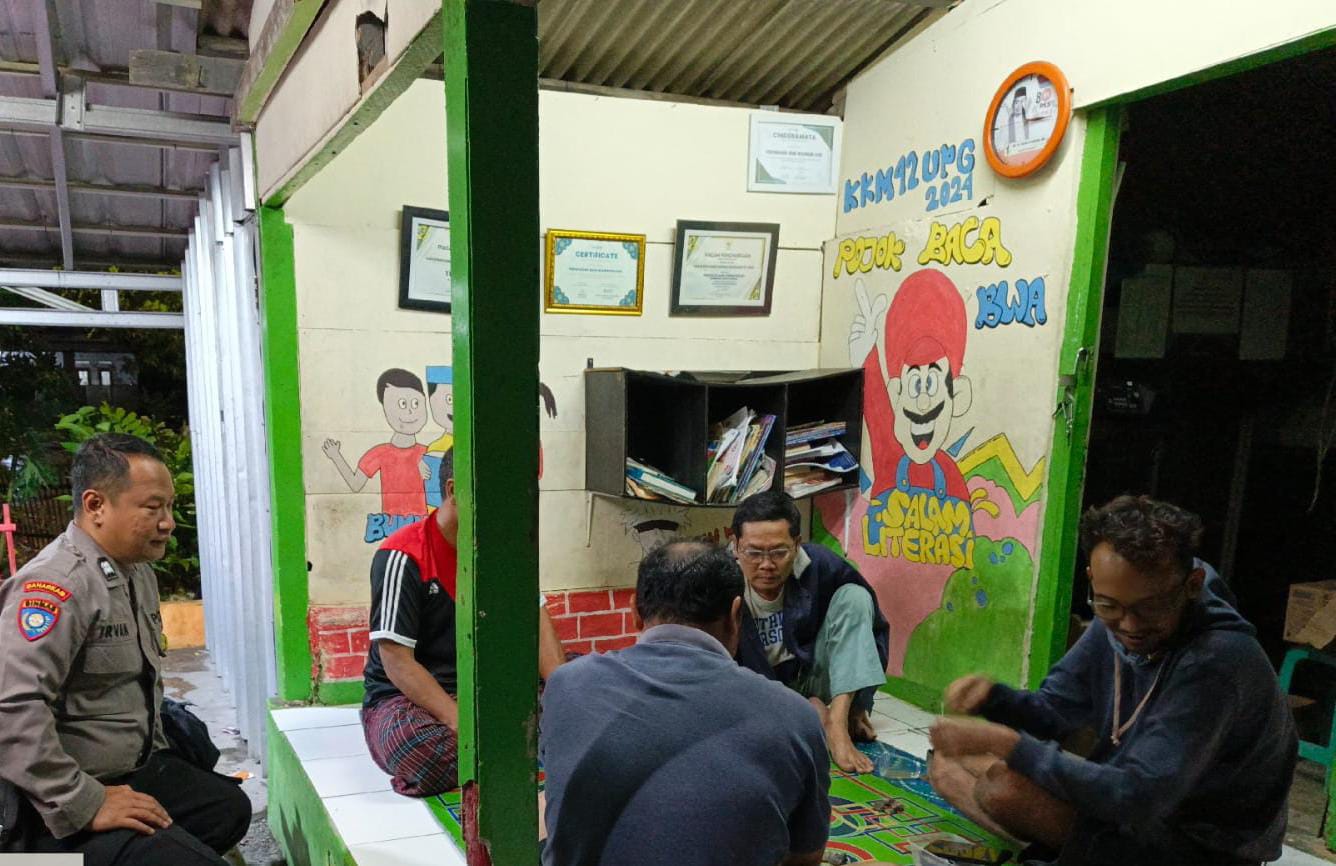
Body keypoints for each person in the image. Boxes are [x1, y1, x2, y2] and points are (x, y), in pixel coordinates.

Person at [928, 495, 1297, 866]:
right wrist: (993, 698)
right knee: (947, 768)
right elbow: (1054, 712)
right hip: (1133, 807)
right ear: (1093, 579)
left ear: (1192, 585)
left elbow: (1138, 796)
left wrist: (1007, 744)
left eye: (1150, 607)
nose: (1130, 626)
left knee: (1003, 788)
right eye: (1108, 605)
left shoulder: (1217, 662)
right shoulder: (1116, 619)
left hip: (1199, 844)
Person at [0, 434, 251, 865]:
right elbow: (12, 708)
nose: (167, 522)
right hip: (50, 800)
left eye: (169, 507)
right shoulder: (55, 587)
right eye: (153, 508)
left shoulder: (134, 572)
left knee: (226, 809)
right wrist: (85, 802)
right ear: (96, 505)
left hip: (126, 772)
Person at [540, 540, 830, 866]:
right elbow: (806, 857)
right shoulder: (795, 715)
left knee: (543, 805)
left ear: (635, 612)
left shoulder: (566, 685)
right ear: (736, 615)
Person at [360, 449, 567, 796]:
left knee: (592, 685)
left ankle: (507, 741)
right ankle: (517, 741)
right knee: (421, 750)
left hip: (491, 687)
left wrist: (567, 698)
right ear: (454, 490)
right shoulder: (402, 555)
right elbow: (396, 662)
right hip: (412, 701)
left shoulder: (506, 550)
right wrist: (462, 724)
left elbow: (537, 625)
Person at [731, 490, 890, 773]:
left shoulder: (819, 565)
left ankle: (836, 722)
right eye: (753, 553)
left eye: (779, 552)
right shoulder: (721, 578)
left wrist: (858, 704)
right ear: (736, 546)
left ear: (797, 544)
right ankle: (811, 714)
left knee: (855, 597)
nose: (766, 565)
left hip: (810, 677)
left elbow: (870, 628)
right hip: (758, 692)